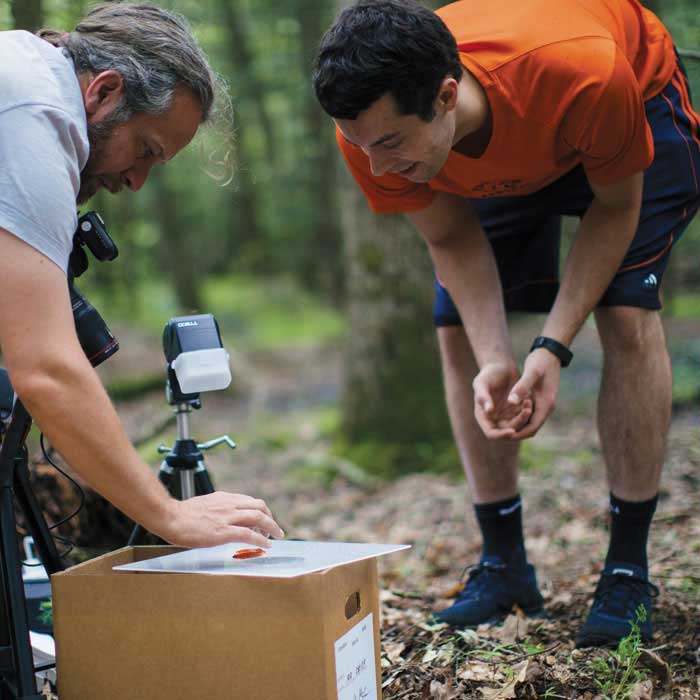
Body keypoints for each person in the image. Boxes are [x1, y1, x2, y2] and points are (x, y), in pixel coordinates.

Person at [313, 0, 700, 646]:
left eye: (389, 145)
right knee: (459, 325)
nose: (376, 171)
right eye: (361, 148)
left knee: (626, 310)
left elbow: (615, 208)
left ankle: (628, 569)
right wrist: (498, 358)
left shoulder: (588, 74)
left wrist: (551, 346)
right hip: (506, 147)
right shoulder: (367, 134)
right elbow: (453, 241)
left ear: (444, 96)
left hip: (634, 95)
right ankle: (504, 566)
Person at [0, 3, 283, 549]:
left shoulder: (22, 76)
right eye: (146, 150)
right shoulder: (36, 115)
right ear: (103, 91)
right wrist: (169, 515)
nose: (136, 181)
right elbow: (45, 368)